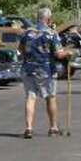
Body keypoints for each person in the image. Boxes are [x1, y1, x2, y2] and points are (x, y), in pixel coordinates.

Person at [20, 7, 69, 138]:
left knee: (30, 97)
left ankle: (29, 127)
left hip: (28, 69)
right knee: (50, 97)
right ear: (48, 19)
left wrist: (28, 58)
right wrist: (68, 53)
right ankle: (53, 127)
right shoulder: (51, 33)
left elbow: (21, 49)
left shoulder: (27, 32)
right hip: (46, 70)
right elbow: (58, 54)